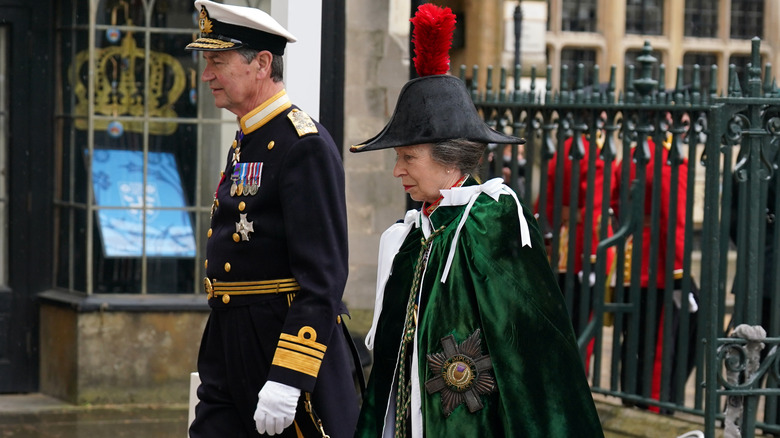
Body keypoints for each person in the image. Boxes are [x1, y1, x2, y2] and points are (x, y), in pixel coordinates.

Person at [349, 4, 604, 437]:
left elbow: (530, 356)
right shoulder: (411, 236)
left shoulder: (491, 221)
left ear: (449, 161)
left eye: (408, 157)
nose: (397, 171)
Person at [184, 1, 359, 436]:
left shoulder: (303, 145)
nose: (207, 75)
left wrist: (290, 375)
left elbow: (323, 278)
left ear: (262, 63)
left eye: (217, 62)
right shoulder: (249, 137)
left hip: (278, 342)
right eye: (207, 62)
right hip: (230, 336)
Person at [610, 125, 698, 413]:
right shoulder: (668, 160)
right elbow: (674, 219)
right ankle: (655, 408)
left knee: (632, 338)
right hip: (659, 266)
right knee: (659, 346)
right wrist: (679, 273)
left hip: (630, 260)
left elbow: (614, 203)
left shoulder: (632, 156)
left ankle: (631, 398)